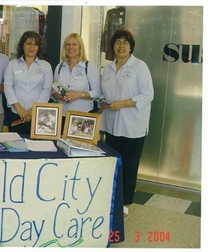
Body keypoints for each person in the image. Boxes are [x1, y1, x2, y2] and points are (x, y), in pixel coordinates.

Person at [99, 29, 154, 208]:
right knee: (114, 164)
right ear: (112, 46)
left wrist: (124, 103)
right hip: (111, 125)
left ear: (131, 47)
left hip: (132, 127)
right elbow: (103, 92)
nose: (121, 46)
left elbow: (148, 95)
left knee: (128, 167)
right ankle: (113, 200)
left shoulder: (139, 66)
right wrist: (101, 101)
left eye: (125, 43)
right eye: (117, 42)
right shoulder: (107, 68)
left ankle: (125, 203)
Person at [4, 31, 53, 134]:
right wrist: (19, 108)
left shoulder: (46, 66)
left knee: (37, 147)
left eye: (35, 44)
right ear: (22, 46)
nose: (32, 47)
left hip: (38, 115)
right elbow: (8, 86)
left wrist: (33, 111)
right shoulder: (12, 64)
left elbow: (47, 89)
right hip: (16, 113)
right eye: (28, 44)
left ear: (39, 47)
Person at [52, 33, 101, 131]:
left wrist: (78, 95)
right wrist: (58, 96)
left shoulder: (89, 67)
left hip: (82, 118)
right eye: (68, 44)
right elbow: (54, 91)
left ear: (80, 47)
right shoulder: (60, 67)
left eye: (74, 44)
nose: (71, 47)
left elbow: (97, 93)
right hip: (62, 116)